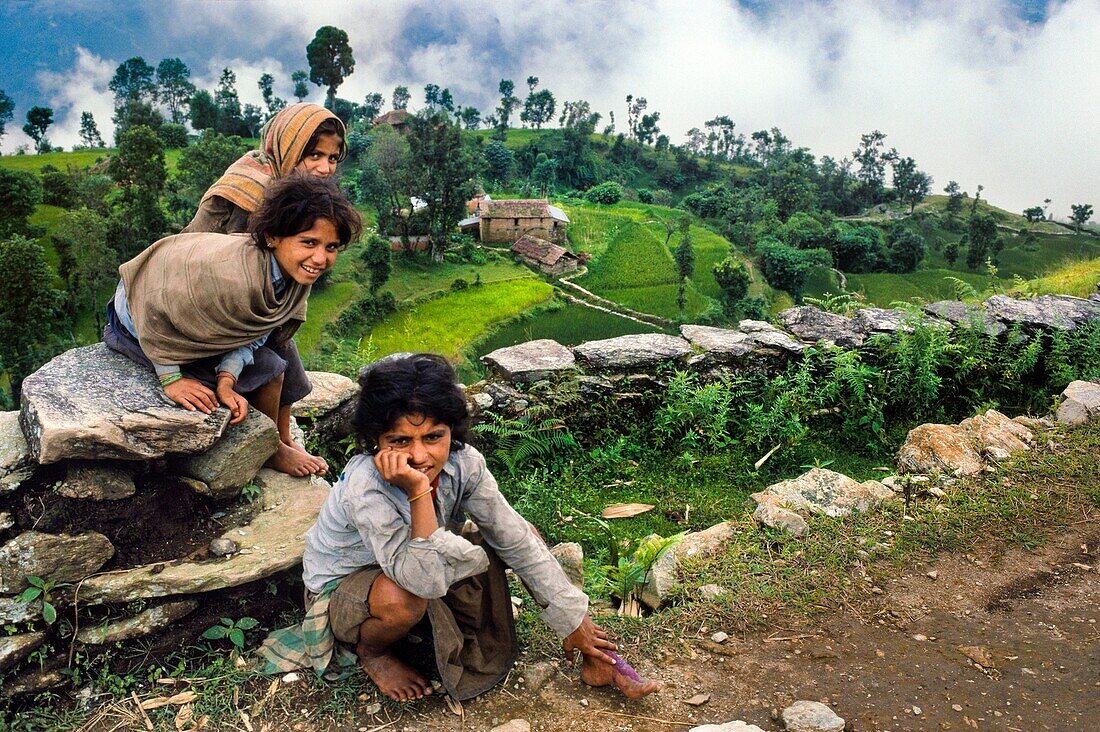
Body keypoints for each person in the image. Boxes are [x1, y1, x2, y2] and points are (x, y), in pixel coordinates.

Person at [271, 353, 662, 702]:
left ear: (452, 432)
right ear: (376, 440)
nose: (420, 455)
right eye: (400, 440)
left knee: (526, 535)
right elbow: (419, 581)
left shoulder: (465, 463)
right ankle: (373, 653)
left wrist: (573, 621)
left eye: (434, 437)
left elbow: (514, 538)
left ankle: (597, 659)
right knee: (404, 600)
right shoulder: (366, 487)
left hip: (418, 558)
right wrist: (418, 491)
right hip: (352, 584)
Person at [104, 175, 362, 477]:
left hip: (174, 314)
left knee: (284, 348)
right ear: (272, 237)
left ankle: (283, 438)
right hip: (136, 319)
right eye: (309, 242)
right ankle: (270, 449)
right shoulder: (235, 280)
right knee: (270, 372)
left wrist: (226, 379)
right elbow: (157, 310)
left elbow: (255, 331)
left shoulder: (286, 276)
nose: (320, 258)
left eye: (331, 247)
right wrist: (171, 378)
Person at [182, 102, 347, 235]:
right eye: (315, 155)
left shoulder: (293, 188)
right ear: (288, 150)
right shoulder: (255, 189)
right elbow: (241, 260)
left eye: (332, 158)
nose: (325, 169)